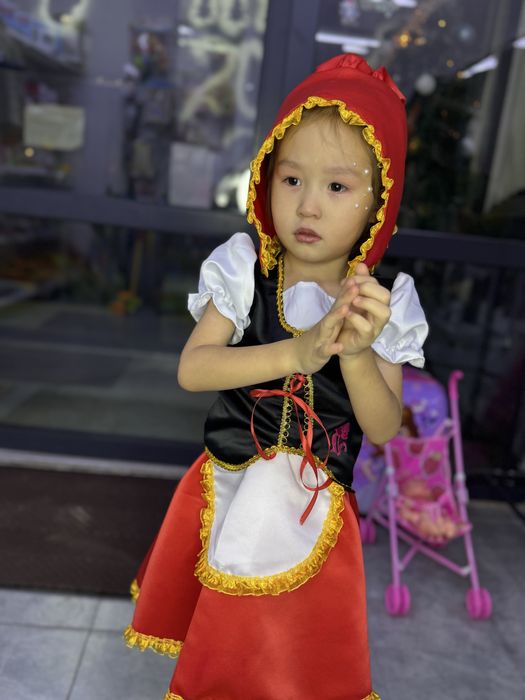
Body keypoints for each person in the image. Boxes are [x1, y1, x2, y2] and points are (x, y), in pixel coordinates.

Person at [124, 53, 429, 700]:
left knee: (287, 665)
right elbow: (193, 368)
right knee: (222, 658)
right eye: (291, 179)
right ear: (265, 178)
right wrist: (298, 351)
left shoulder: (385, 302)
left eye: (337, 187)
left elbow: (381, 429)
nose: (308, 205)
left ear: (380, 203)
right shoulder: (245, 267)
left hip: (315, 515)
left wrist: (354, 352)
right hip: (229, 491)